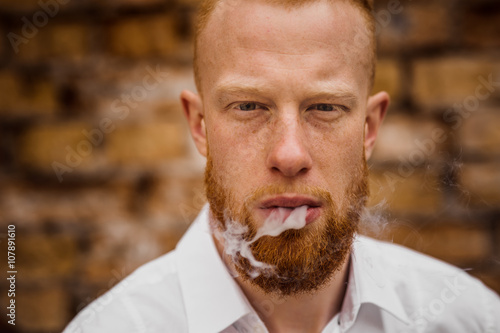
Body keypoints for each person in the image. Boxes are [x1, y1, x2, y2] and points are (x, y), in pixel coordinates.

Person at [63, 0, 500, 332]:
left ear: (368, 128)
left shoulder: (468, 318)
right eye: (249, 106)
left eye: (325, 107)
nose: (289, 156)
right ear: (199, 126)